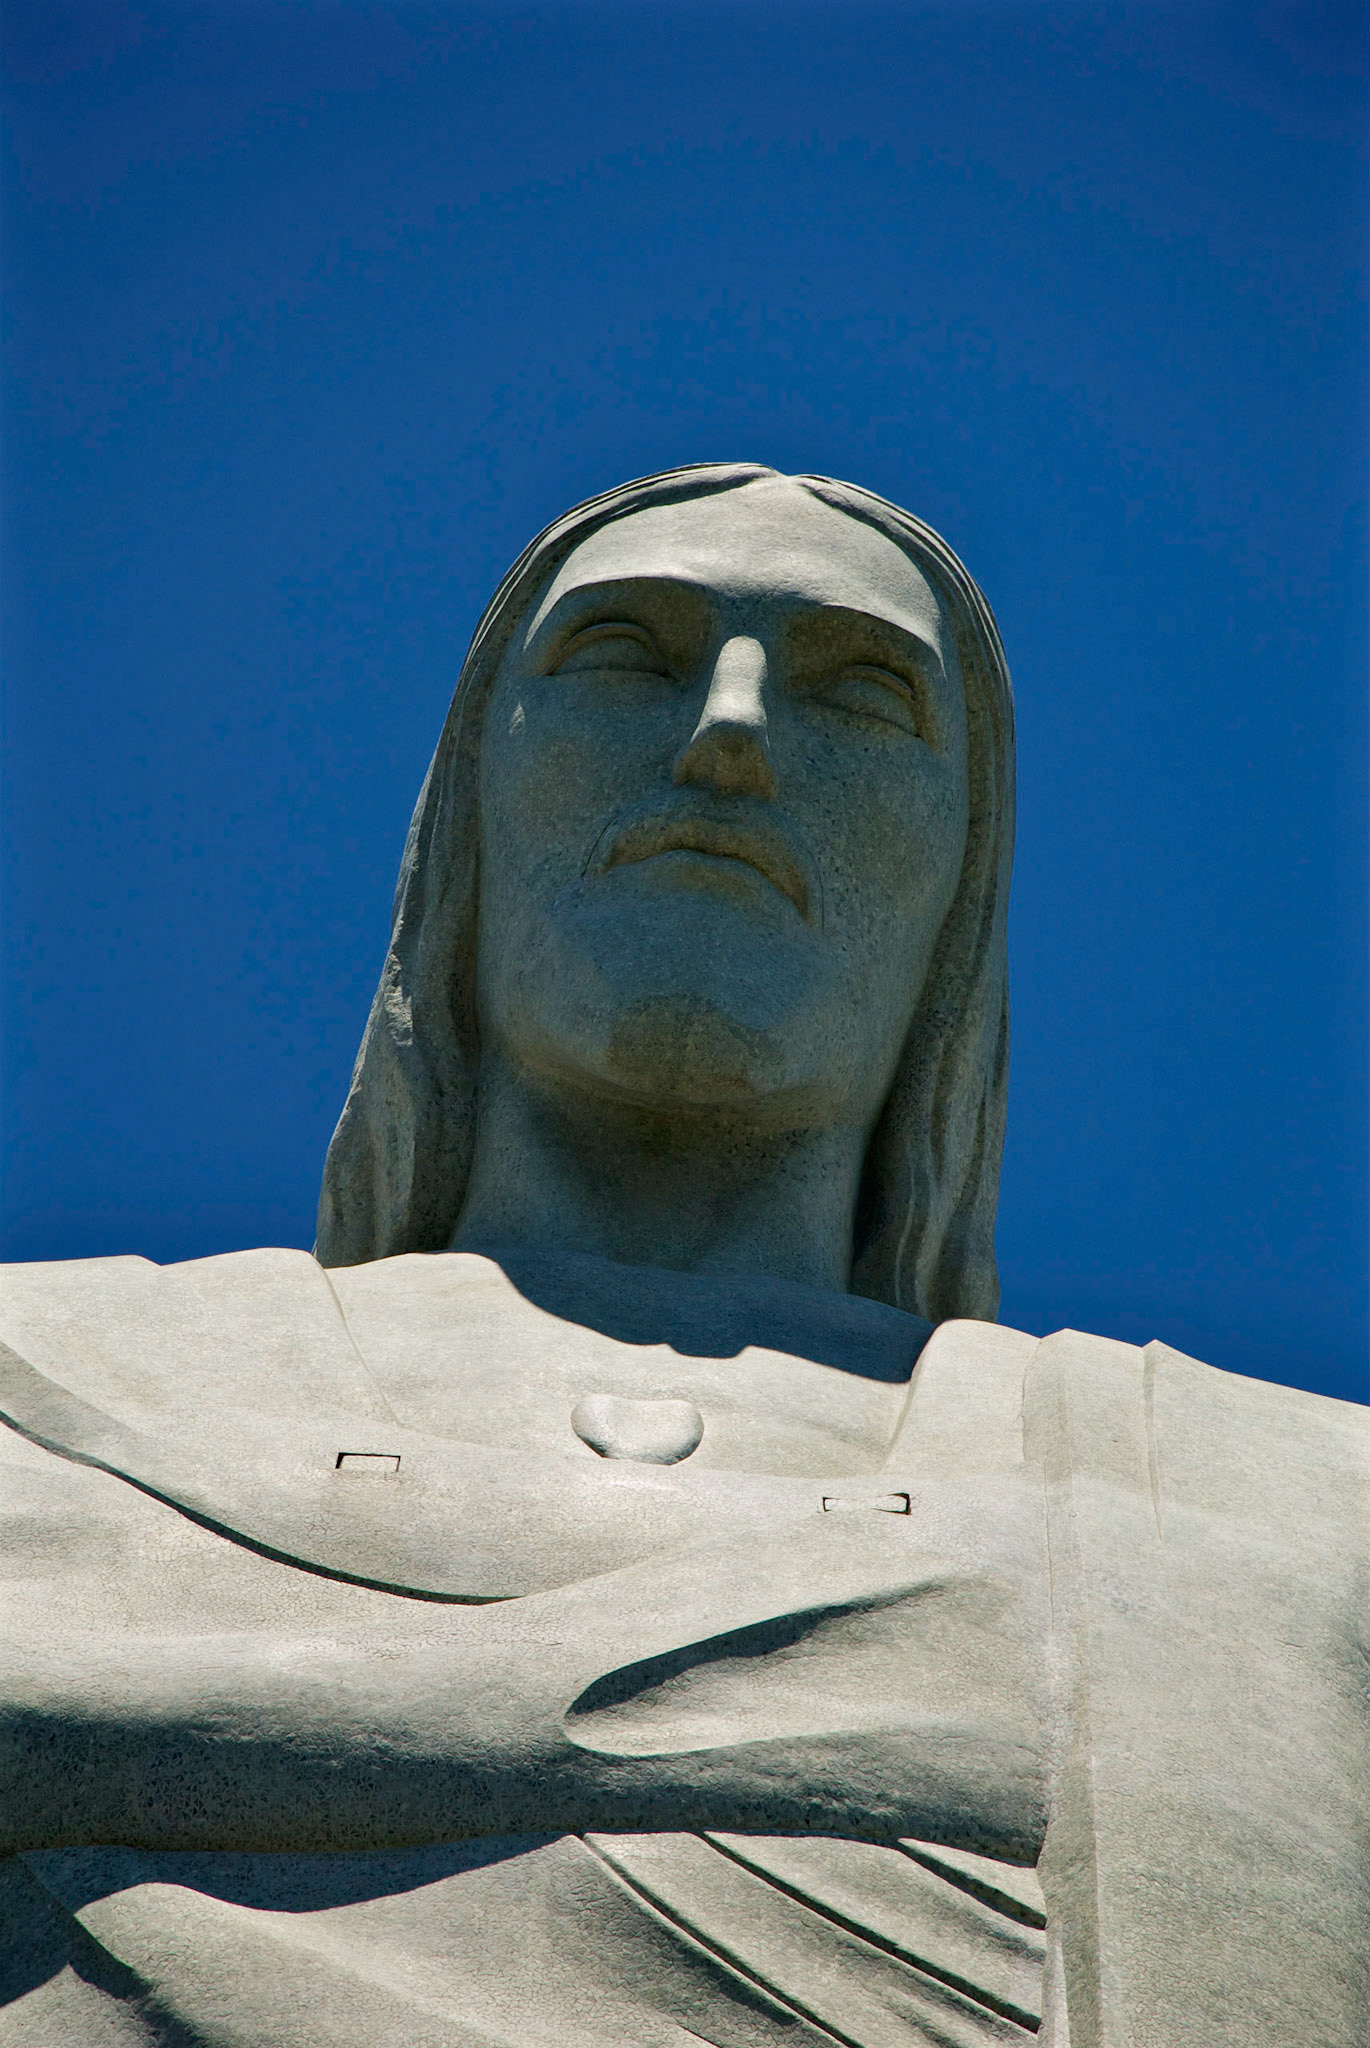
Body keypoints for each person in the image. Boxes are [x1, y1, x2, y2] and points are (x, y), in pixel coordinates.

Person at [0, 466, 1363, 2048]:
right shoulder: (38, 1380)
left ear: (958, 894)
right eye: (621, 654)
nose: (729, 729)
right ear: (469, 812)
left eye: (861, 692)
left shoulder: (1281, 1498)